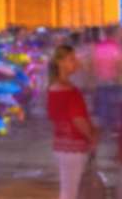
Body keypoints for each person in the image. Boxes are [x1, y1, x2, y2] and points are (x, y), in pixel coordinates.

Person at [48, 43, 96, 199]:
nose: (76, 62)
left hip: (61, 143)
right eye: (71, 59)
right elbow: (78, 119)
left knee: (69, 190)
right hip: (73, 146)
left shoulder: (53, 88)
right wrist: (91, 135)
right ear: (60, 62)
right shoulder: (70, 91)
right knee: (70, 192)